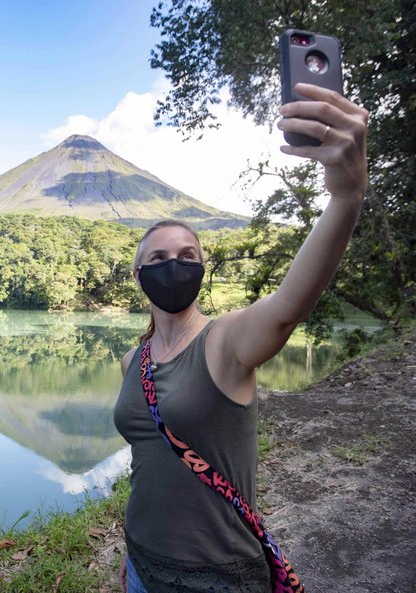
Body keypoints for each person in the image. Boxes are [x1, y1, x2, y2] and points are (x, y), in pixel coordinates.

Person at [113, 83, 369, 593]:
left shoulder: (227, 342)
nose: (174, 266)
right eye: (158, 260)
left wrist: (345, 196)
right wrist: (132, 559)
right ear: (138, 274)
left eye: (187, 257)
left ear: (204, 269)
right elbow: (152, 466)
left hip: (217, 575)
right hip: (143, 564)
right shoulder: (132, 360)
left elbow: (285, 307)